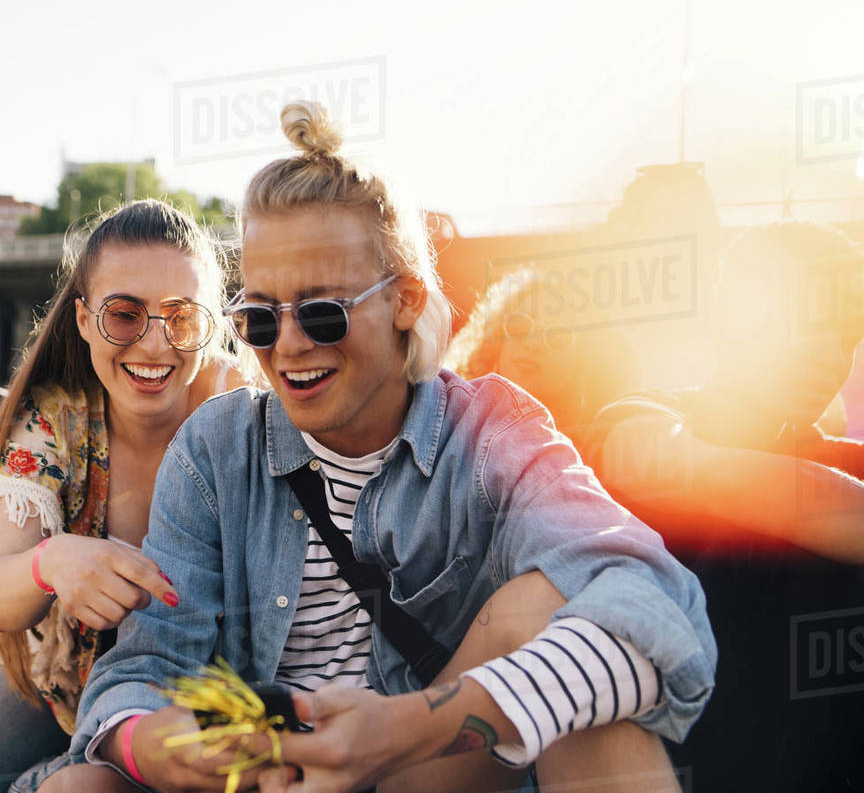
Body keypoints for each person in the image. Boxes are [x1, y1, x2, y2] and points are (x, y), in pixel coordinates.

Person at [56, 102, 715, 793]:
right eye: (257, 317)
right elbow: (143, 668)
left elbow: (654, 610)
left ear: (404, 299)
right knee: (80, 787)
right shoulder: (217, 450)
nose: (288, 346)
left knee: (552, 618)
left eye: (322, 312)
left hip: (429, 770)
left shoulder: (491, 432)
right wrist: (148, 743)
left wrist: (410, 728)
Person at [0, 199, 244, 793]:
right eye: (124, 314)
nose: (153, 343)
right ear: (86, 319)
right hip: (65, 680)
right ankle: (59, 771)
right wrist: (52, 560)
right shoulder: (55, 418)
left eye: (182, 316)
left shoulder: (239, 405)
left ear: (213, 322)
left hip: (202, 686)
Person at [580, 222, 864, 789]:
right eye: (808, 323)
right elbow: (683, 469)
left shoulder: (849, 462)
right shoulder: (641, 418)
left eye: (848, 333)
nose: (832, 355)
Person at [444, 268, 642, 441]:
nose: (532, 344)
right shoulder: (446, 421)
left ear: (583, 363)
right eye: (521, 324)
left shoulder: (593, 455)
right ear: (496, 338)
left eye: (555, 335)